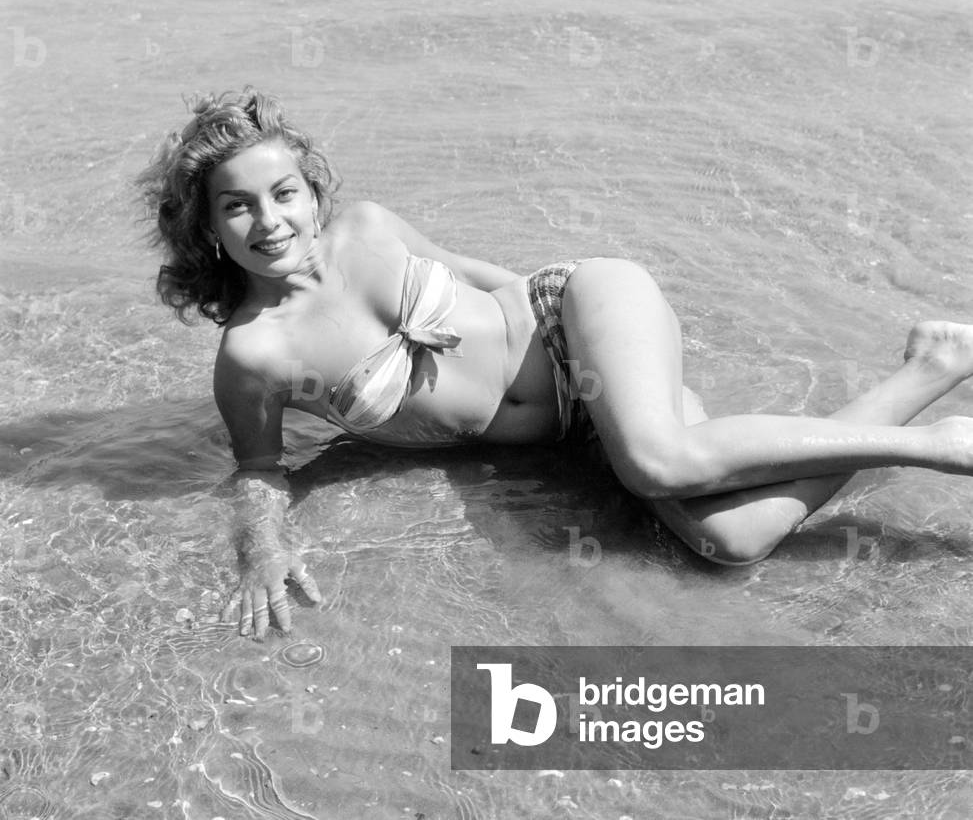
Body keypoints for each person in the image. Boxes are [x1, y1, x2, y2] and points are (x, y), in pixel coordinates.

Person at [140, 87, 973, 640]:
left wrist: (623, 350)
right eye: (238, 205)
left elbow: (500, 284)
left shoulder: (369, 228)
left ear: (313, 191)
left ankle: (940, 445)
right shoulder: (252, 353)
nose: (270, 218)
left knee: (656, 461)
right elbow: (259, 468)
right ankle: (932, 367)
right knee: (730, 541)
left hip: (576, 313)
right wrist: (261, 549)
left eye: (283, 192)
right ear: (208, 226)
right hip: (576, 426)